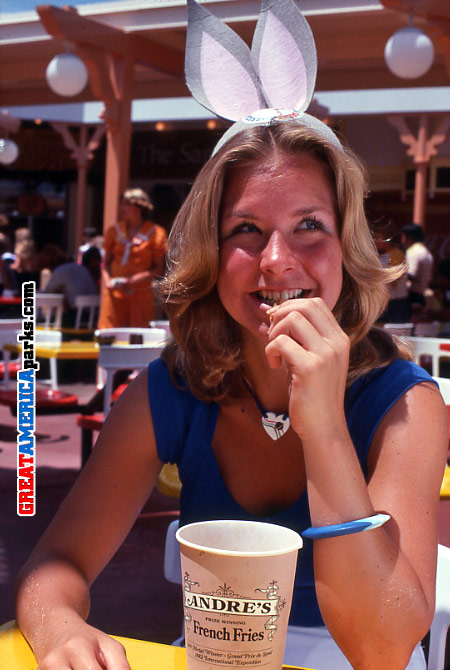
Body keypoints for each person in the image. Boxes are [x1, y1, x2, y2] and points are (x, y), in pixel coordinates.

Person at [14, 2, 448, 670]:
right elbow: (55, 564)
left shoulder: (407, 407)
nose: (277, 258)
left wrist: (325, 428)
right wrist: (61, 627)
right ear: (212, 258)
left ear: (345, 248)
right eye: (246, 230)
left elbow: (383, 647)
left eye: (309, 225)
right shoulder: (171, 391)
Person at [98, 188, 167, 328]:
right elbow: (105, 263)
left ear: (139, 207)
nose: (122, 207)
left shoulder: (156, 233)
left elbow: (159, 268)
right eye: (122, 203)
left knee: (138, 336)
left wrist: (134, 280)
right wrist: (107, 281)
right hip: (114, 292)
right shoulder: (114, 231)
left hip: (140, 293)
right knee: (109, 334)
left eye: (127, 204)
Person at [38, 243, 98, 327]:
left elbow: (46, 294)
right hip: (93, 318)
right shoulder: (81, 268)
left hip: (77, 318)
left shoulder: (61, 270)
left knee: (47, 320)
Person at [372, 225, 410, 323]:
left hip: (396, 303)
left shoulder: (396, 254)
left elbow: (394, 280)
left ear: (386, 239)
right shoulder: (381, 255)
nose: (374, 240)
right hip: (384, 302)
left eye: (377, 237)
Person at [401, 223, 434, 312]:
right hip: (422, 296)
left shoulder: (413, 251)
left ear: (408, 237)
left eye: (403, 236)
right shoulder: (426, 252)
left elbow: (412, 275)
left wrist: (396, 275)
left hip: (413, 296)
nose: (402, 240)